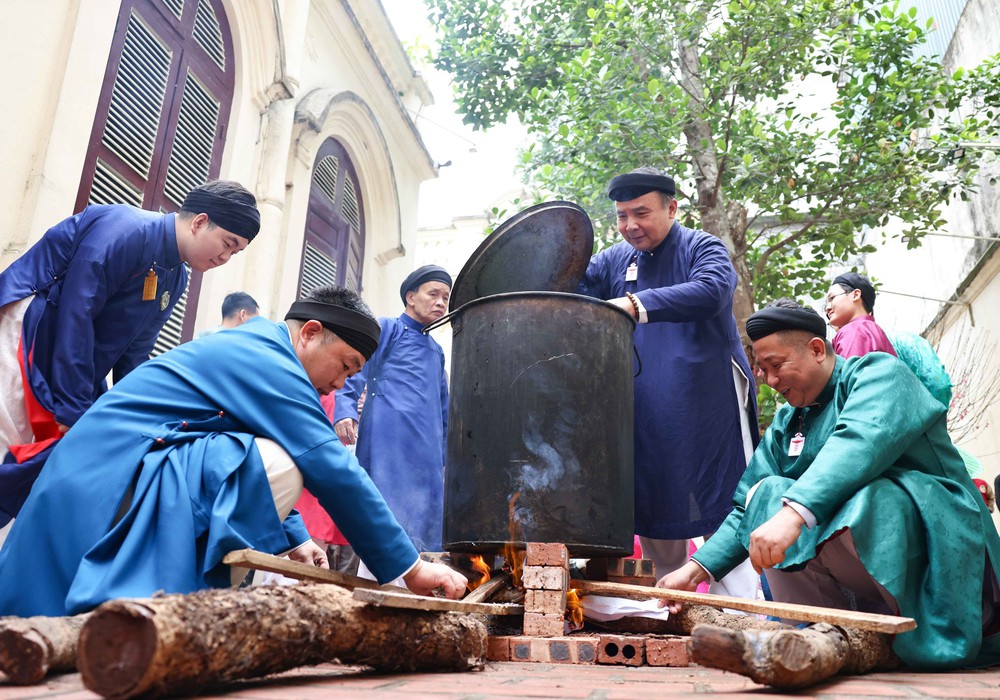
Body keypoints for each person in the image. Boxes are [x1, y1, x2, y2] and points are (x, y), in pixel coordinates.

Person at [0, 285, 467, 616]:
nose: (342, 383)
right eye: (345, 365)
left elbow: (233, 441)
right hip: (104, 480)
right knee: (286, 464)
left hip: (105, 474)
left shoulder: (260, 349)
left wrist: (297, 537)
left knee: (264, 457)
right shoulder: (269, 361)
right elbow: (329, 465)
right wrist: (409, 567)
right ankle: (163, 601)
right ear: (309, 332)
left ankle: (177, 601)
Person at [658, 299, 1000, 669]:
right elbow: (746, 505)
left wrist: (791, 517)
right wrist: (694, 572)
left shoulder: (880, 373)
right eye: (762, 371)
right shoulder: (789, 421)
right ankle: (815, 628)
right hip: (860, 561)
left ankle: (915, 633)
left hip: (940, 548)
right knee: (767, 493)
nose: (771, 382)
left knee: (873, 494)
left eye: (776, 366)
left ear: (817, 349)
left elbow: (858, 444)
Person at [0, 181, 261, 527]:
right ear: (199, 222)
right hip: (31, 334)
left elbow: (134, 356)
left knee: (36, 463)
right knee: (10, 448)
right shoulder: (126, 229)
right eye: (228, 244)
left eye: (236, 253)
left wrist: (148, 420)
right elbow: (76, 312)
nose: (226, 258)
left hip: (70, 364)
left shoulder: (175, 278)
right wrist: (74, 408)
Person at [577, 167, 760, 599]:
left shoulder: (703, 247)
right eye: (622, 216)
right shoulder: (615, 260)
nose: (630, 226)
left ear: (672, 208)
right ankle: (671, 607)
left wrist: (635, 303)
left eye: (641, 213)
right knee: (655, 499)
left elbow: (713, 290)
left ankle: (743, 611)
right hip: (644, 406)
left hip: (705, 399)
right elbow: (576, 286)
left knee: (724, 496)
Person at [334, 265, 451, 556]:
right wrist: (345, 410)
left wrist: (445, 455)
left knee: (427, 520)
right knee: (386, 511)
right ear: (411, 297)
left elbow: (444, 407)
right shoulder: (387, 328)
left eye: (445, 298)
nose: (440, 302)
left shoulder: (437, 350)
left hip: (428, 453)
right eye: (433, 294)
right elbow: (354, 371)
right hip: (389, 441)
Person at [824, 271, 896, 358]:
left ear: (855, 295)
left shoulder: (855, 330)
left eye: (832, 298)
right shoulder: (870, 329)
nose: (827, 308)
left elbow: (850, 371)